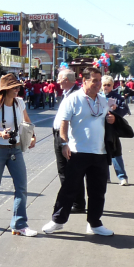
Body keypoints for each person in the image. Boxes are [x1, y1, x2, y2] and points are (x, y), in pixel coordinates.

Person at [43, 66, 116, 237]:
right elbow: (63, 123)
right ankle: (57, 221)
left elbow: (106, 121)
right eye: (95, 81)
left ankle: (95, 223)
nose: (99, 84)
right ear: (84, 81)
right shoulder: (73, 99)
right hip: (77, 151)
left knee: (98, 191)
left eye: (100, 80)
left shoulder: (103, 100)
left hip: (99, 152)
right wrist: (64, 143)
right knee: (69, 188)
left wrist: (112, 119)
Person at [0, 74, 37, 234]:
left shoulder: (20, 103)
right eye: (14, 87)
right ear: (5, 90)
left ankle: (19, 225)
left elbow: (27, 121)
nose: (18, 90)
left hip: (15, 149)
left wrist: (32, 136)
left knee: (21, 187)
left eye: (18, 87)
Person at [52, 68, 85, 214]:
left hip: (67, 137)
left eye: (59, 79)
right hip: (60, 135)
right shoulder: (66, 93)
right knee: (64, 170)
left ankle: (75, 202)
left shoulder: (76, 94)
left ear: (66, 80)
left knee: (69, 171)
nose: (57, 81)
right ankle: (75, 201)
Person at [103, 76, 130, 186]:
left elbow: (124, 111)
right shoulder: (97, 96)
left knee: (115, 153)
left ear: (112, 86)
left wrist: (116, 108)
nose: (106, 87)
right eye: (104, 85)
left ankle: (122, 177)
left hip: (112, 129)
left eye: (108, 85)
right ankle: (105, 176)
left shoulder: (117, 97)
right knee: (101, 154)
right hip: (100, 128)